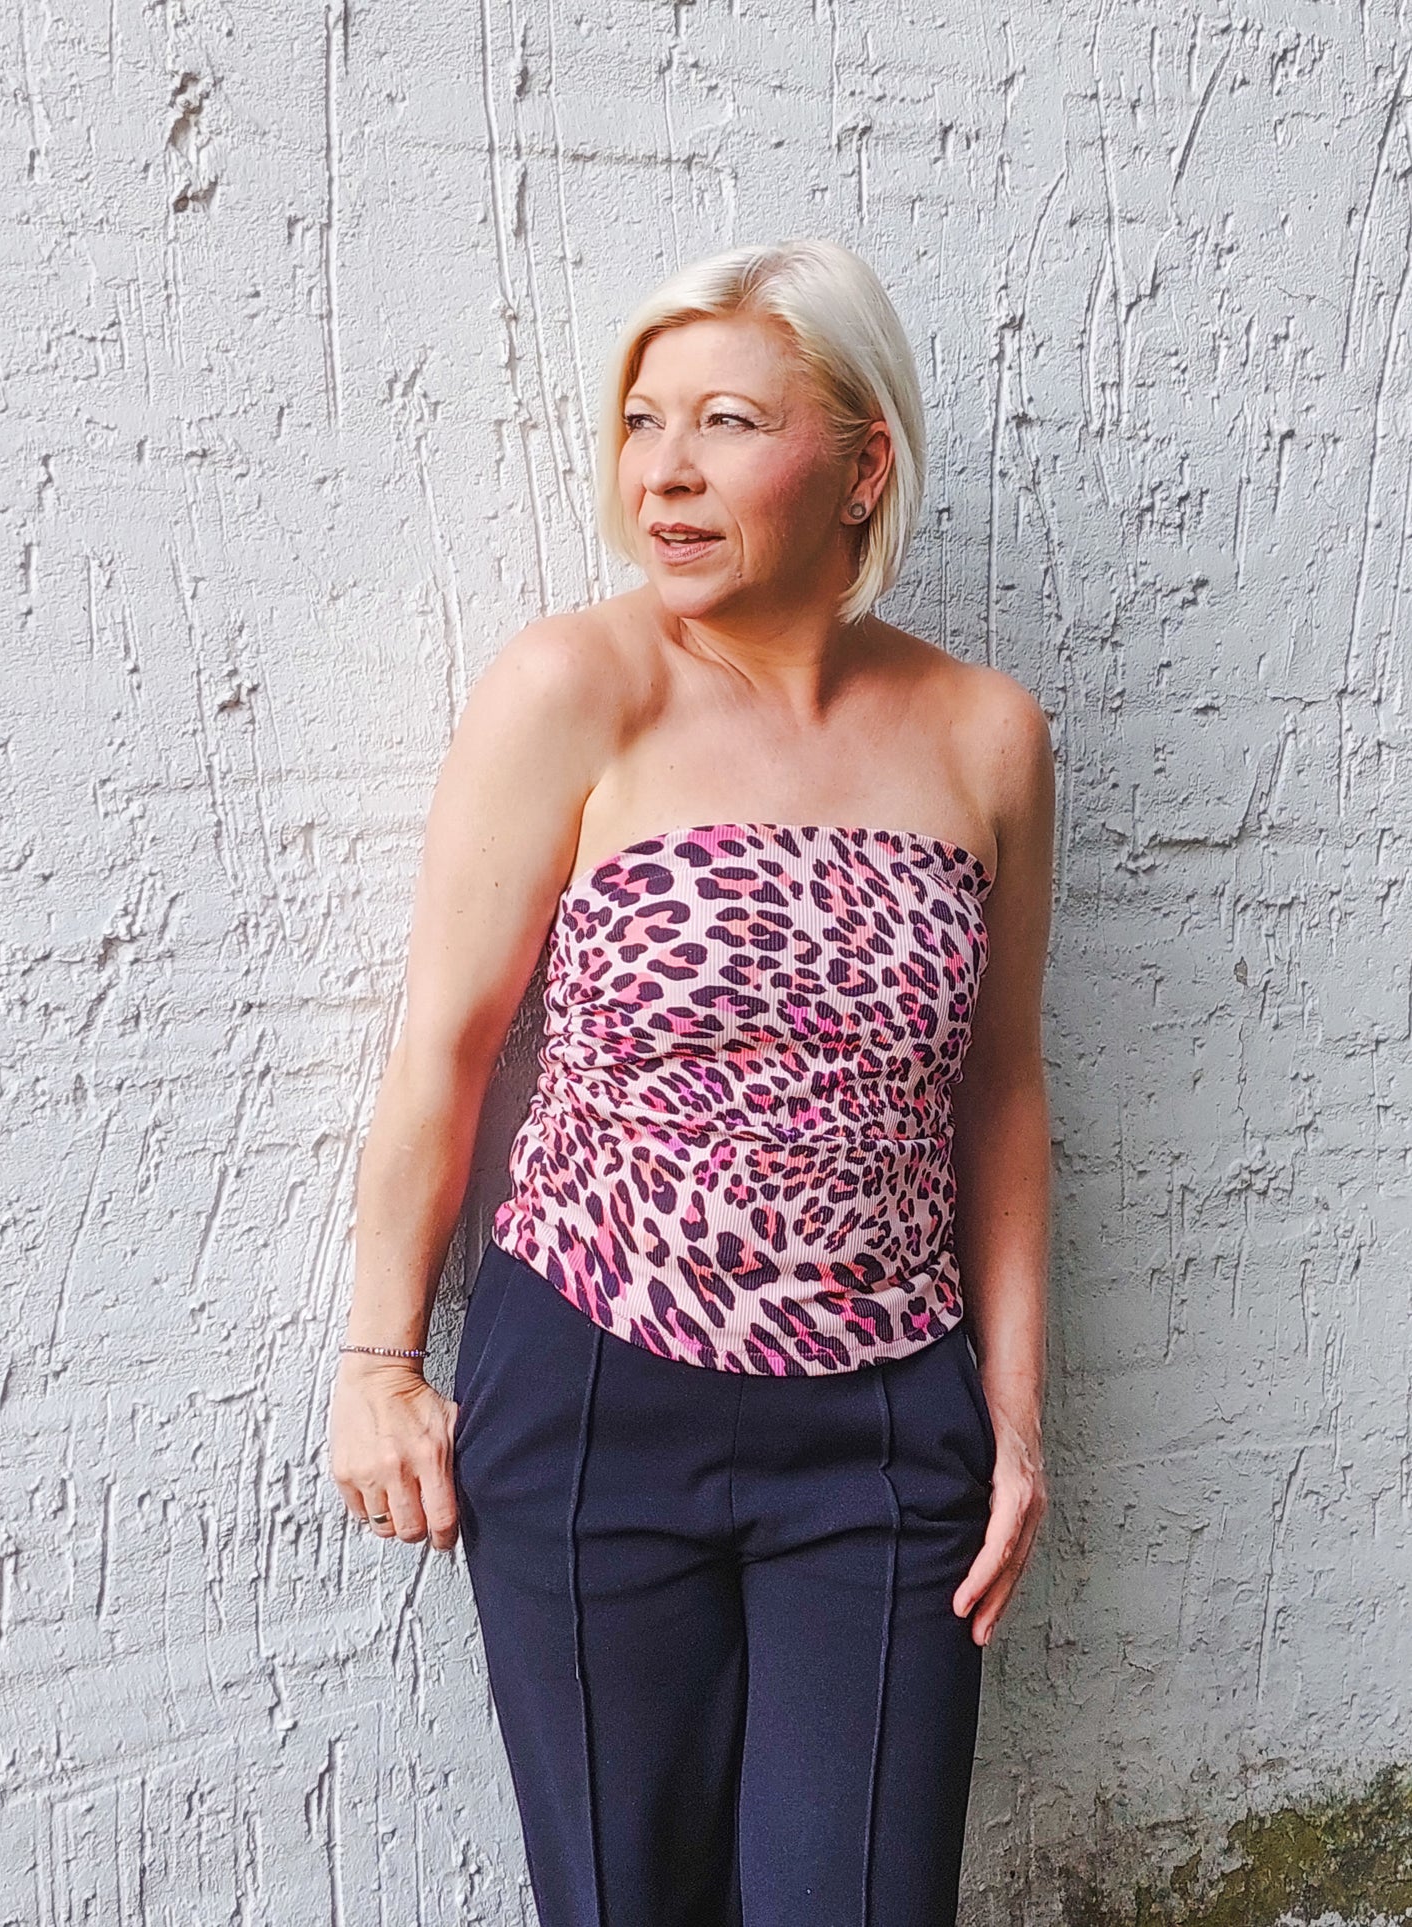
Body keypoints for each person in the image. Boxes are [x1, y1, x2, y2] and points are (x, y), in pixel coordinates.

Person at [328, 236, 1053, 1927]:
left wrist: (1013, 1421)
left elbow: (1001, 1091)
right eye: (642, 421)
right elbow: (443, 1046)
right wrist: (375, 1360)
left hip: (885, 1426)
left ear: (861, 463)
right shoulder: (575, 689)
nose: (662, 469)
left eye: (727, 422)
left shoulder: (984, 735)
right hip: (593, 1394)